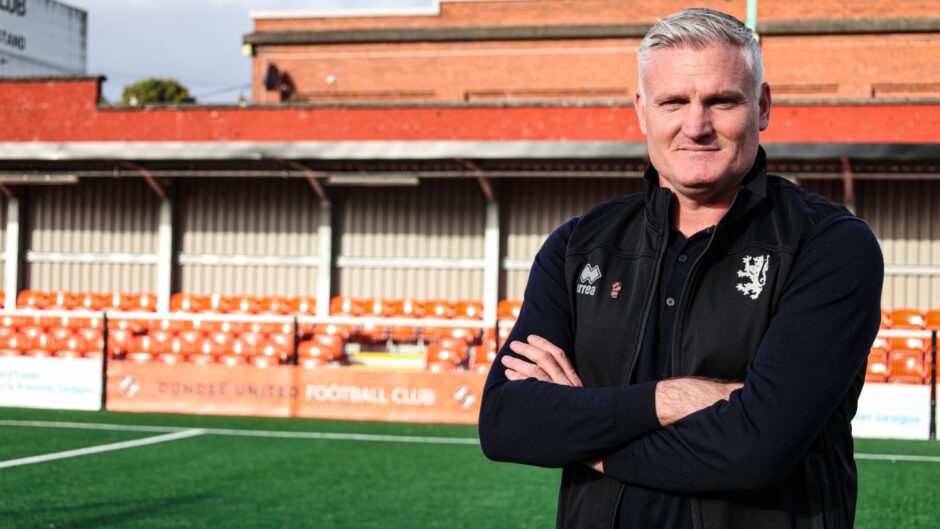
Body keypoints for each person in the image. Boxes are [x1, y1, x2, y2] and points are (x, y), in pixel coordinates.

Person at [478, 7, 883, 529]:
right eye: (674, 102)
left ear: (761, 106)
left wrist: (587, 438)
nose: (697, 126)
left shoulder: (828, 246)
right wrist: (671, 399)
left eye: (721, 100)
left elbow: (758, 449)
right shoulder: (578, 247)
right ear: (642, 110)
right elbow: (508, 423)